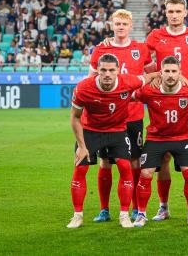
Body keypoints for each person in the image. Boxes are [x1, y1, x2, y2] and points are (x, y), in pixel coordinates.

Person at [67, 54, 156, 229]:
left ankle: (124, 214)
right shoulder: (84, 88)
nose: (107, 74)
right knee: (80, 168)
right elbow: (75, 117)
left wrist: (169, 75)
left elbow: (150, 76)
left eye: (111, 70)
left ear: (118, 70)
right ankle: (77, 215)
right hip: (90, 131)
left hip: (117, 131)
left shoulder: (129, 82)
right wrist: (82, 147)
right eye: (103, 70)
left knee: (125, 167)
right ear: (97, 71)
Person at [145, 0, 188, 220]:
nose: (174, 15)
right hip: (163, 102)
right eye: (170, 11)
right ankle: (164, 206)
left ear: (185, 12)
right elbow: (144, 63)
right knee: (163, 158)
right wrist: (154, 75)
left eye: (177, 11)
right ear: (165, 12)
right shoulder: (155, 36)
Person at [89, 9, 156, 222]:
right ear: (111, 25)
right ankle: (104, 209)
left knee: (134, 162)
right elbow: (91, 80)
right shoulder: (101, 49)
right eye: (117, 24)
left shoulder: (140, 49)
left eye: (124, 24)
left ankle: (136, 207)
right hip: (107, 118)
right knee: (105, 163)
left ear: (130, 26)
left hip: (133, 115)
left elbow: (149, 78)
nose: (120, 27)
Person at [131, 56, 188, 227]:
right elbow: (129, 96)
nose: (170, 75)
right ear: (160, 73)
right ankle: (143, 214)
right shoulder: (149, 91)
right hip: (156, 138)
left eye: (174, 71)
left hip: (182, 137)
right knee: (146, 173)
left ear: (180, 73)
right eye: (167, 71)